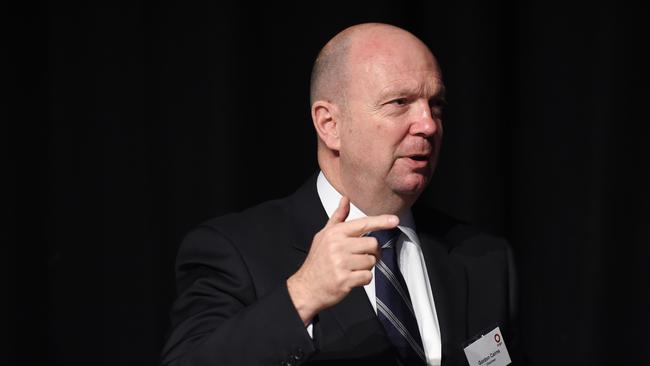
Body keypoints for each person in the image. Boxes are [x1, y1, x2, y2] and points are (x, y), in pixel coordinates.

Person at [161, 23, 520, 366]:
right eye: (399, 102)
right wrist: (302, 294)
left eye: (436, 105)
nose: (428, 125)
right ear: (330, 125)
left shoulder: (483, 257)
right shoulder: (235, 250)